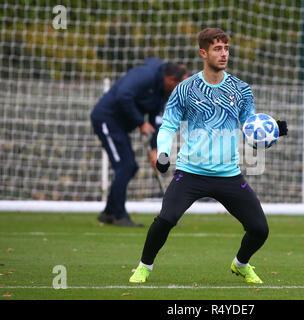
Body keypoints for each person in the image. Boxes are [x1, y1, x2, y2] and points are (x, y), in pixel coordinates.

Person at [129, 28, 288, 283]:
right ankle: (144, 267)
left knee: (260, 229)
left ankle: (240, 264)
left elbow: (250, 130)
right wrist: (164, 154)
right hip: (191, 172)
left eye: (226, 48)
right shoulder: (185, 89)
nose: (224, 53)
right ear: (203, 53)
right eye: (217, 48)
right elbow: (168, 125)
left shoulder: (241, 90)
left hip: (229, 175)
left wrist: (272, 130)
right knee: (166, 219)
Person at [90, 58, 189, 227]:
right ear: (171, 80)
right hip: (107, 119)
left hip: (119, 126)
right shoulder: (145, 75)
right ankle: (118, 215)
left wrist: (155, 149)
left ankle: (109, 212)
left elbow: (156, 120)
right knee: (125, 165)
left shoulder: (163, 92)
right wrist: (140, 122)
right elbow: (123, 95)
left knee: (129, 166)